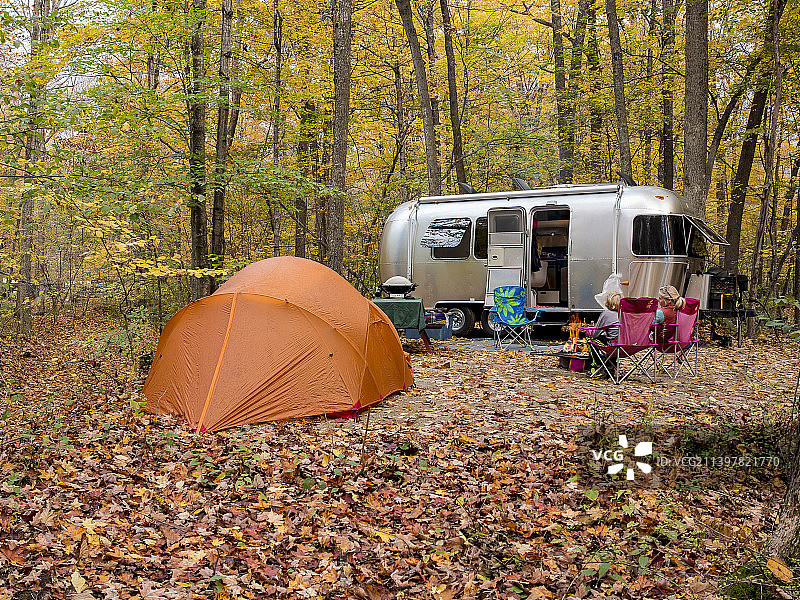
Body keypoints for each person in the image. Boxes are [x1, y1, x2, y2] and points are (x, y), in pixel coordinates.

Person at [586, 291, 622, 378]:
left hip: (614, 346)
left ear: (608, 302)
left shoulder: (606, 314)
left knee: (589, 339)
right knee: (616, 338)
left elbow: (594, 334)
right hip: (627, 346)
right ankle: (610, 367)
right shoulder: (626, 314)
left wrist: (589, 332)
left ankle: (596, 365)